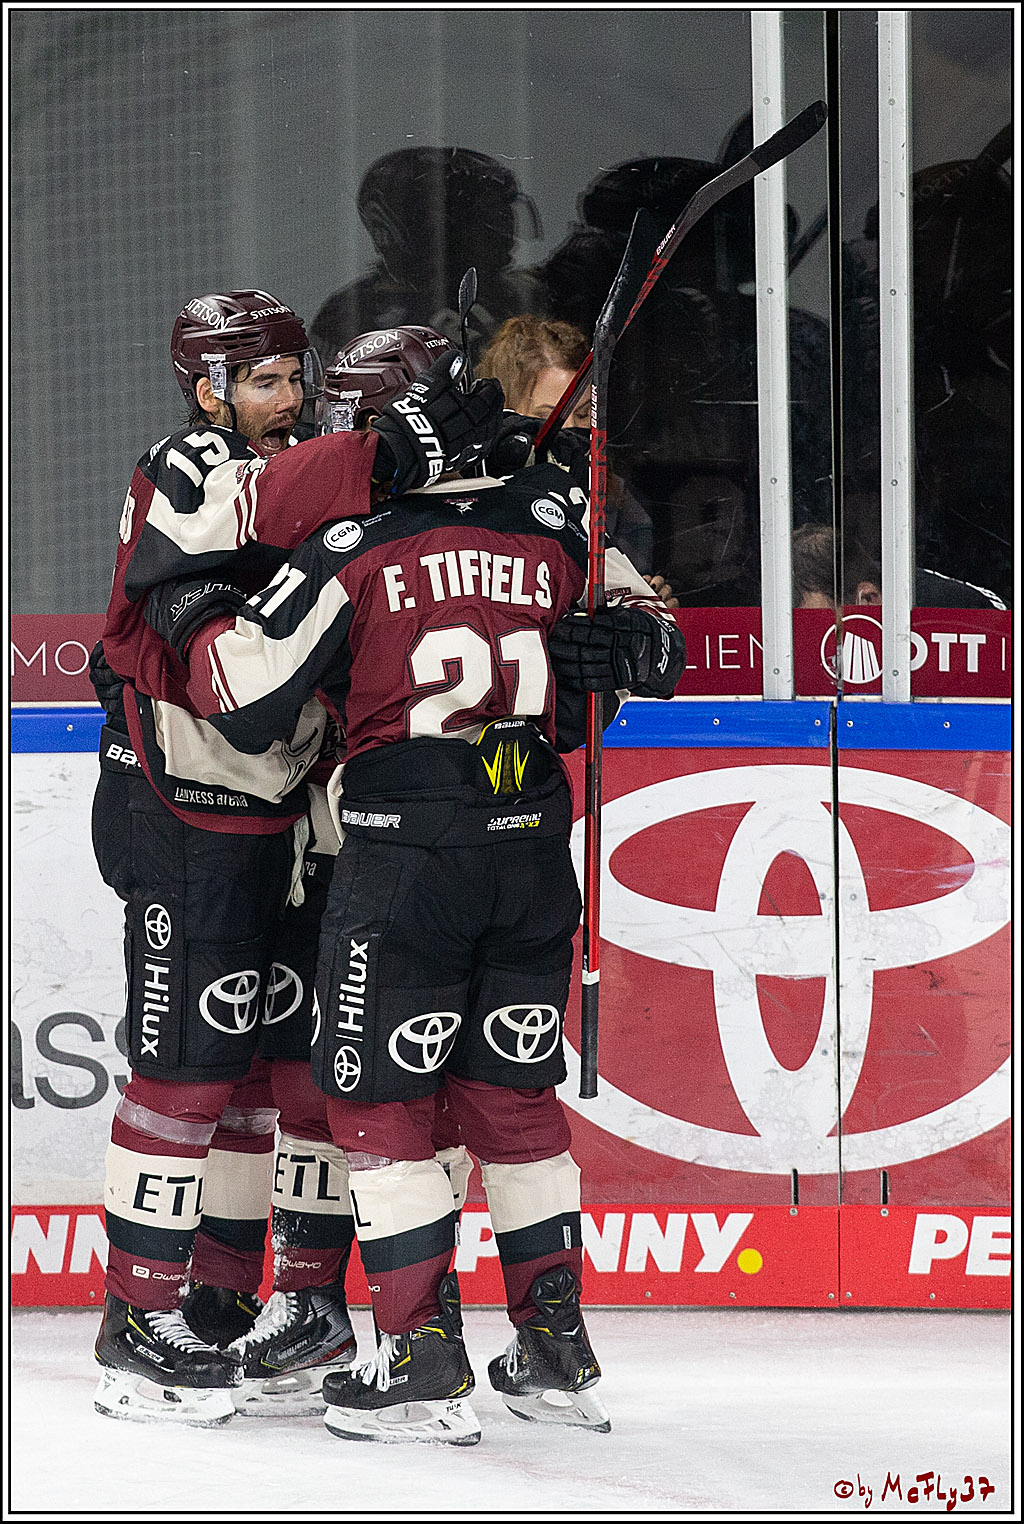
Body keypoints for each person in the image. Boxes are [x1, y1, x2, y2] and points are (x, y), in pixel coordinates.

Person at [162, 352, 687, 1444]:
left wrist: (190, 600)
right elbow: (654, 634)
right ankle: (554, 1348)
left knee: (376, 1106)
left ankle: (414, 1356)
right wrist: (630, 642)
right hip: (537, 852)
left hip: (405, 862)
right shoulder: (551, 515)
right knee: (514, 1103)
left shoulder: (355, 543)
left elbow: (242, 697)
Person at [90, 288, 505, 1426]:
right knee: (183, 1072)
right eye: (264, 382)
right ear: (207, 386)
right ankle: (135, 1325)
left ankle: (242, 1307)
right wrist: (386, 448)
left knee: (279, 1079)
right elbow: (259, 505)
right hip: (184, 819)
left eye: (296, 381)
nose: (288, 403)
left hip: (284, 827)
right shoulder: (184, 468)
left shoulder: (307, 491)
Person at [479, 314, 678, 605]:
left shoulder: (615, 499)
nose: (571, 431)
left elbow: (628, 596)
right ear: (503, 412)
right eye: (547, 419)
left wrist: (646, 606)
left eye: (584, 415)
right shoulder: (467, 497)